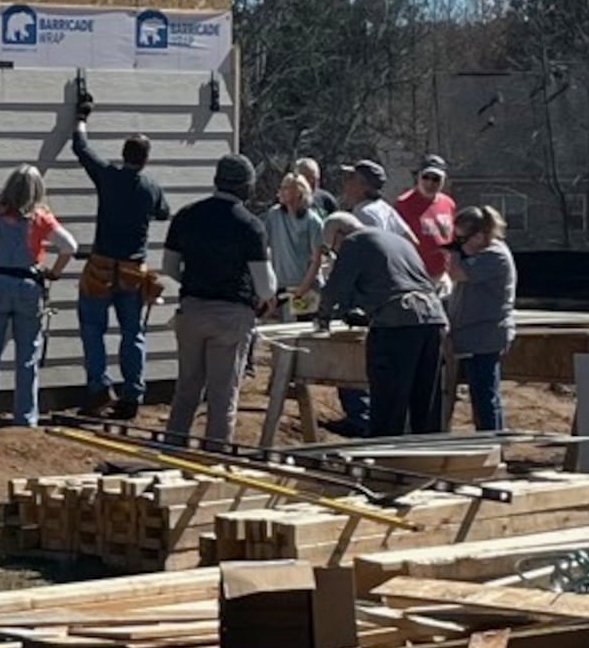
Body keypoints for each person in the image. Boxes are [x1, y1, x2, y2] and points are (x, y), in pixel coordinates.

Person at [160, 153, 277, 450]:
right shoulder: (250, 225)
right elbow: (265, 287)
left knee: (186, 388)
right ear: (246, 187)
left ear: (216, 181)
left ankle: (171, 451)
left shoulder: (186, 215)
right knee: (222, 394)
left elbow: (170, 267)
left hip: (191, 311)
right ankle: (213, 459)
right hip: (230, 316)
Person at [320, 172, 449, 436]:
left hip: (397, 325)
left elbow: (336, 289)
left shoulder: (355, 242)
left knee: (389, 401)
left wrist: (322, 317)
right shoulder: (398, 241)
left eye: (333, 247)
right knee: (425, 401)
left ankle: (385, 463)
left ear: (340, 235)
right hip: (433, 320)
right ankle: (428, 460)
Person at [66, 123, 170, 418]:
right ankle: (132, 396)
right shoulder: (150, 187)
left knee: (92, 329)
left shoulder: (108, 177)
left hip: (100, 268)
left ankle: (99, 389)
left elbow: (81, 149)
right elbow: (163, 213)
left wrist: (81, 120)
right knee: (133, 333)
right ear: (145, 159)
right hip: (132, 272)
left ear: (123, 155)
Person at [0, 166, 76, 430]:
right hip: (28, 287)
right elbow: (70, 246)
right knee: (27, 357)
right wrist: (54, 273)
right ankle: (25, 420)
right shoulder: (40, 218)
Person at [445, 204, 516, 432]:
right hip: (469, 336)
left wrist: (454, 251)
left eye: (462, 239)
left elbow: (456, 273)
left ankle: (493, 447)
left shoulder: (494, 255)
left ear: (480, 235)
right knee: (475, 395)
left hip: (484, 337)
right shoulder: (480, 254)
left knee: (485, 397)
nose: (459, 244)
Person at [259, 170, 330, 320]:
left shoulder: (313, 221)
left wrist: (302, 288)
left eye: (286, 188)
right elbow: (264, 248)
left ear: (299, 192)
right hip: (281, 285)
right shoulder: (274, 215)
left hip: (305, 287)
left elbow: (316, 260)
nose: (281, 192)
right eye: (281, 187)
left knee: (300, 329)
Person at [394, 157, 461, 279]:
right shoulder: (404, 204)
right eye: (426, 177)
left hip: (443, 275)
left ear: (443, 180)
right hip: (416, 275)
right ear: (418, 177)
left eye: (436, 179)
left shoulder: (448, 203)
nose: (430, 183)